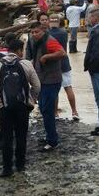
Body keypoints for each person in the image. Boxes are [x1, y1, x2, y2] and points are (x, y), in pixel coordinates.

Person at [0, 38, 40, 177]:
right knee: (21, 135)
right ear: (20, 51)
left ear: (8, 50)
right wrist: (31, 100)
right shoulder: (26, 64)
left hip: (4, 107)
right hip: (22, 106)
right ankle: (20, 164)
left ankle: (7, 168)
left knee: (7, 137)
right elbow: (37, 85)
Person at [29, 21, 66, 150]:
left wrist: (46, 56)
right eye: (32, 32)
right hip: (43, 81)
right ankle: (50, 136)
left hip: (51, 81)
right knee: (44, 110)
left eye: (37, 32)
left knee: (47, 110)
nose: (34, 35)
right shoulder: (37, 42)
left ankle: (52, 141)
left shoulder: (49, 40)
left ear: (43, 31)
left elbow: (62, 53)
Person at [48, 13, 79, 121]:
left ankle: (55, 112)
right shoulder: (64, 32)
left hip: (52, 64)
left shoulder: (47, 34)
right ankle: (74, 112)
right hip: (65, 63)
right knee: (68, 87)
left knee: (54, 90)